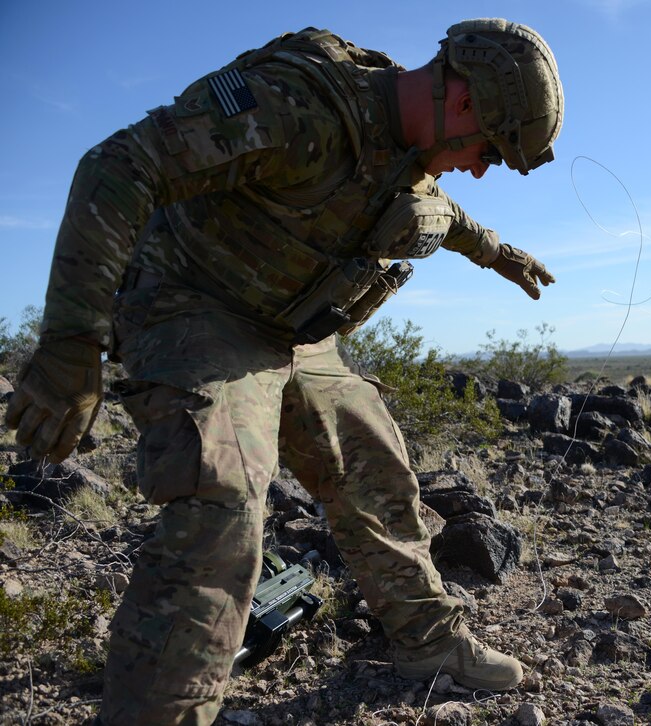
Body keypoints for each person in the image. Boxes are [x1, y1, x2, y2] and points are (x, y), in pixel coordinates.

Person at [5, 18, 562, 725]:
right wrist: (69, 343)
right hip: (194, 307)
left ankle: (428, 639)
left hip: (291, 333)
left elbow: (440, 214)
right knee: (224, 497)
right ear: (463, 103)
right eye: (488, 149)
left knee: (375, 463)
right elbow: (118, 165)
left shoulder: (415, 152)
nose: (481, 168)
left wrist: (498, 252)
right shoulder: (301, 106)